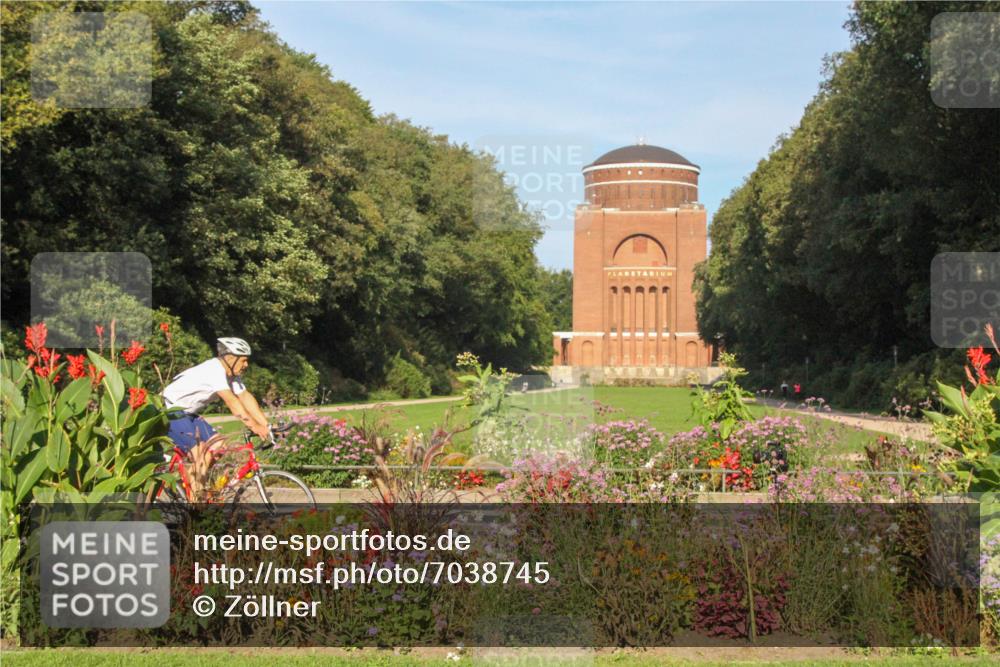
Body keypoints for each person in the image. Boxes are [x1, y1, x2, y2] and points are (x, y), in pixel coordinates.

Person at [162, 337, 270, 459]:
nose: (246, 365)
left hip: (189, 414)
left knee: (219, 447)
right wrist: (254, 426)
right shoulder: (214, 370)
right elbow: (232, 402)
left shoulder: (231, 375)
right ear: (230, 358)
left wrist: (267, 425)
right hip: (170, 410)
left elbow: (245, 397)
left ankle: (201, 476)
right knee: (200, 455)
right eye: (243, 360)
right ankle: (194, 476)